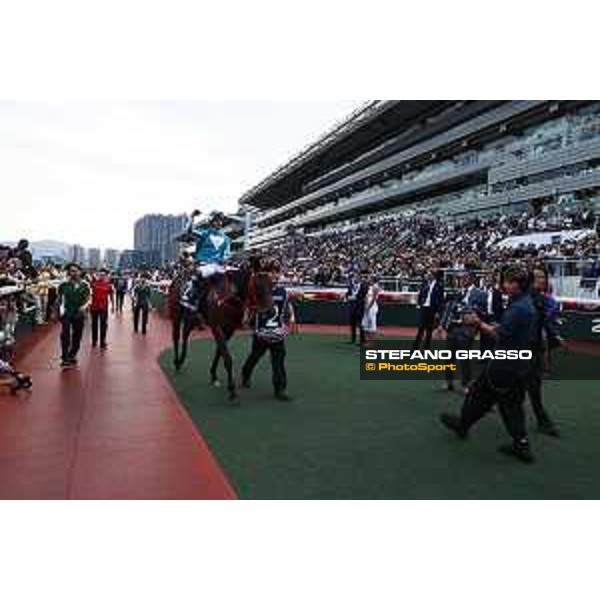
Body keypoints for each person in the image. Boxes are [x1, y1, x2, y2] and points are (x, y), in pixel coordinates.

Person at [440, 265, 538, 464]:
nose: (505, 285)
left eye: (509, 282)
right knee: (511, 404)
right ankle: (521, 443)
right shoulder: (526, 303)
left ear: (519, 285)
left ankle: (463, 425)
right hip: (519, 364)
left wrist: (477, 322)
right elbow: (508, 330)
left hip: (503, 364)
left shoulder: (519, 307)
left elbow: (498, 335)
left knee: (479, 394)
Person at [241, 262, 295, 401]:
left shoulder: (283, 291)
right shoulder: (259, 290)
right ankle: (245, 374)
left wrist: (291, 319)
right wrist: (247, 318)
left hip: (277, 332)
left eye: (277, 272)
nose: (275, 275)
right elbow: (249, 304)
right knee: (255, 356)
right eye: (272, 272)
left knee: (278, 361)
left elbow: (287, 306)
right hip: (262, 332)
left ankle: (280, 389)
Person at [526, 266, 565, 437]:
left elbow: (545, 324)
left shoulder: (543, 301)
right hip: (516, 349)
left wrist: (555, 336)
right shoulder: (522, 298)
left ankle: (542, 420)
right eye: (539, 277)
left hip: (532, 350)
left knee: (533, 386)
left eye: (544, 277)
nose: (543, 280)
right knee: (497, 384)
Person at [181, 210, 231, 312]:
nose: (219, 223)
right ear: (211, 222)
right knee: (200, 273)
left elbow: (226, 253)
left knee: (236, 275)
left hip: (218, 265)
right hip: (204, 264)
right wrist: (192, 217)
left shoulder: (226, 239)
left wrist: (224, 259)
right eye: (216, 221)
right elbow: (189, 231)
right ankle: (190, 296)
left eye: (220, 221)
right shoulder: (204, 234)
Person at [57, 263, 91, 368]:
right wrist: (61, 311)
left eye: (76, 271)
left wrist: (84, 307)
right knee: (65, 334)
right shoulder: (63, 285)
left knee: (77, 335)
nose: (74, 273)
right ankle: (64, 357)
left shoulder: (85, 285)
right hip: (67, 312)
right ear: (68, 273)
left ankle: (72, 354)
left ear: (80, 272)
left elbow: (89, 299)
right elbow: (60, 300)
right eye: (71, 271)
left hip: (79, 313)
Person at [412, 269, 444, 352]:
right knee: (421, 329)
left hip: (432, 309)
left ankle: (426, 348)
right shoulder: (425, 283)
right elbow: (421, 294)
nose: (428, 276)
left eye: (430, 274)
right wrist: (419, 304)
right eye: (428, 274)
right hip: (424, 307)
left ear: (434, 276)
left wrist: (438, 312)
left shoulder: (439, 285)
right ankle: (415, 348)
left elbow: (440, 300)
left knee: (429, 330)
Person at [90, 269, 115, 350]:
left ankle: (102, 342)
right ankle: (94, 340)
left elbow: (111, 295)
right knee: (94, 324)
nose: (102, 276)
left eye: (103, 275)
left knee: (103, 325)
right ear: (98, 275)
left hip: (103, 308)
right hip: (94, 307)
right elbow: (88, 294)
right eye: (100, 275)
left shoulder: (108, 285)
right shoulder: (93, 284)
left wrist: (113, 306)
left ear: (106, 276)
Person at [346, 271, 369, 345]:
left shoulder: (363, 286)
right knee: (352, 324)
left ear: (360, 278)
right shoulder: (351, 285)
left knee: (361, 324)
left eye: (357, 277)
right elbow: (348, 293)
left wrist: (355, 297)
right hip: (352, 306)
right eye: (355, 277)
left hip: (359, 306)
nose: (355, 278)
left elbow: (364, 295)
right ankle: (353, 339)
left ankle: (363, 340)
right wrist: (347, 297)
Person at [361, 274, 381, 345]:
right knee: (364, 324)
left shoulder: (375, 287)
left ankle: (371, 342)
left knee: (372, 325)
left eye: (370, 278)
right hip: (366, 307)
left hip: (372, 308)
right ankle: (367, 341)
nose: (369, 279)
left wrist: (369, 306)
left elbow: (374, 298)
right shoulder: (370, 287)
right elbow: (367, 297)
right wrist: (365, 305)